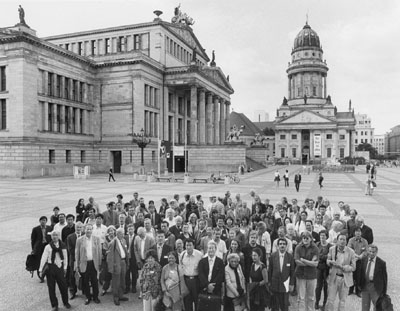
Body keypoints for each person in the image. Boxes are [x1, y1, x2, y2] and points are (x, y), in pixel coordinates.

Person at [39, 230, 71, 311]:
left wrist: (65, 267)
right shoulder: (48, 247)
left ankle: (66, 302)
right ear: (51, 237)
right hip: (51, 268)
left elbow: (66, 257)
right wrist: (40, 269)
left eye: (56, 235)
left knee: (63, 286)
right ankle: (54, 305)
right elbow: (43, 258)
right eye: (53, 235)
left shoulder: (63, 245)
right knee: (51, 288)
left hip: (60, 267)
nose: (54, 237)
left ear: (58, 236)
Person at [325, 234, 356, 311]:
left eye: (344, 240)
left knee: (342, 301)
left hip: (345, 278)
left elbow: (353, 267)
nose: (342, 241)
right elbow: (327, 260)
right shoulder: (332, 249)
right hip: (334, 277)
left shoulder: (351, 252)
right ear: (337, 240)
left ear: (346, 241)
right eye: (341, 239)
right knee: (330, 300)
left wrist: (342, 267)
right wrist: (330, 262)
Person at [75, 223, 102, 305]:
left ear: (92, 230)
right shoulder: (79, 240)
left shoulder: (96, 239)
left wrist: (100, 263)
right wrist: (77, 264)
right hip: (84, 263)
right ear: (84, 230)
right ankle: (88, 297)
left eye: (90, 229)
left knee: (94, 281)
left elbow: (99, 252)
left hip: (94, 263)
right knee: (85, 281)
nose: (89, 231)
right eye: (87, 229)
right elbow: (77, 253)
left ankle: (96, 297)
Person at [294, 231, 319, 311]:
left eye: (307, 238)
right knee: (301, 297)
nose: (305, 239)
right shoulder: (298, 247)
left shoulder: (315, 248)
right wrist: (310, 263)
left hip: (312, 276)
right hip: (300, 275)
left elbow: (316, 264)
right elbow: (297, 262)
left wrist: (304, 260)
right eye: (304, 238)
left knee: (311, 297)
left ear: (311, 239)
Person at [268, 238, 295, 311]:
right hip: (275, 284)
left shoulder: (290, 257)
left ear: (286, 246)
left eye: (284, 244)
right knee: (275, 306)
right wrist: (269, 283)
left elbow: (292, 272)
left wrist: (292, 284)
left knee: (284, 306)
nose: (282, 245)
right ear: (277, 246)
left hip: (285, 285)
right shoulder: (273, 256)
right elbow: (270, 270)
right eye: (280, 244)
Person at [359, 244, 387, 311]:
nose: (371, 253)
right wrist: (359, 285)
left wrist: (384, 292)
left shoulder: (381, 263)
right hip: (365, 286)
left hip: (375, 287)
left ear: (376, 252)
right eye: (370, 251)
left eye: (373, 252)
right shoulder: (363, 260)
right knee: (365, 307)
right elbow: (360, 274)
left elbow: (385, 278)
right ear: (367, 251)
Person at [107, 227, 129, 305]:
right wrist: (111, 267)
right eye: (121, 233)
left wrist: (127, 262)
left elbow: (126, 252)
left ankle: (121, 295)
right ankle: (116, 297)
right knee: (116, 282)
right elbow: (109, 257)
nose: (123, 235)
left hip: (123, 262)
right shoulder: (113, 242)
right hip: (116, 263)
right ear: (117, 234)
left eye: (123, 233)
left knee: (122, 280)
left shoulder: (123, 240)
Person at [180, 239, 203, 311]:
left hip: (196, 281)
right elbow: (180, 268)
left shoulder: (199, 255)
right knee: (187, 301)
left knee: (197, 301)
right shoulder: (182, 254)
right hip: (186, 280)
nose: (188, 247)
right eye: (187, 245)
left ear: (193, 246)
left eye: (190, 245)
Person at [347, 227, 368, 297]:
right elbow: (349, 249)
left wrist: (361, 256)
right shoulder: (351, 240)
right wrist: (356, 256)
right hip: (353, 260)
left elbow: (366, 251)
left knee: (359, 276)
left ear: (361, 233)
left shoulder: (364, 241)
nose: (358, 233)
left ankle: (358, 290)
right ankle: (351, 289)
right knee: (352, 275)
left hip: (360, 261)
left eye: (359, 231)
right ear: (354, 233)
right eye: (356, 231)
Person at [31, 216, 52, 282]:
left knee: (48, 261)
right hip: (39, 247)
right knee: (39, 261)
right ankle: (41, 276)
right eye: (42, 220)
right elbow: (33, 240)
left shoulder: (49, 228)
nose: (43, 221)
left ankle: (46, 274)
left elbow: (51, 237)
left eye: (44, 220)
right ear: (39, 221)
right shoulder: (35, 229)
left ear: (46, 221)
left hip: (47, 246)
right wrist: (33, 249)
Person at [315, 230, 332, 311]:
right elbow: (315, 255)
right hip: (318, 268)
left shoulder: (330, 246)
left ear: (327, 236)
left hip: (327, 269)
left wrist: (321, 257)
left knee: (326, 286)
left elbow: (330, 257)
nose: (322, 237)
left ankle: (325, 303)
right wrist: (324, 257)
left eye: (324, 235)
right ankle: (316, 302)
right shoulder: (317, 244)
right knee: (318, 286)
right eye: (321, 235)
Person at [66, 221, 83, 300]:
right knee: (72, 276)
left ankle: (84, 290)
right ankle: (73, 292)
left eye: (80, 227)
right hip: (74, 259)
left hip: (83, 259)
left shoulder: (84, 235)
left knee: (84, 275)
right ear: (75, 228)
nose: (78, 229)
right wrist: (77, 257)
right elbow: (70, 250)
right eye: (77, 227)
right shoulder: (70, 237)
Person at [125, 224, 138, 293]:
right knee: (126, 273)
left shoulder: (137, 237)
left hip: (134, 258)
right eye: (129, 229)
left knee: (134, 273)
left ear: (134, 229)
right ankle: (127, 287)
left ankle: (133, 286)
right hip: (127, 258)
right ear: (127, 230)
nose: (130, 230)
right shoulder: (125, 237)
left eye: (131, 229)